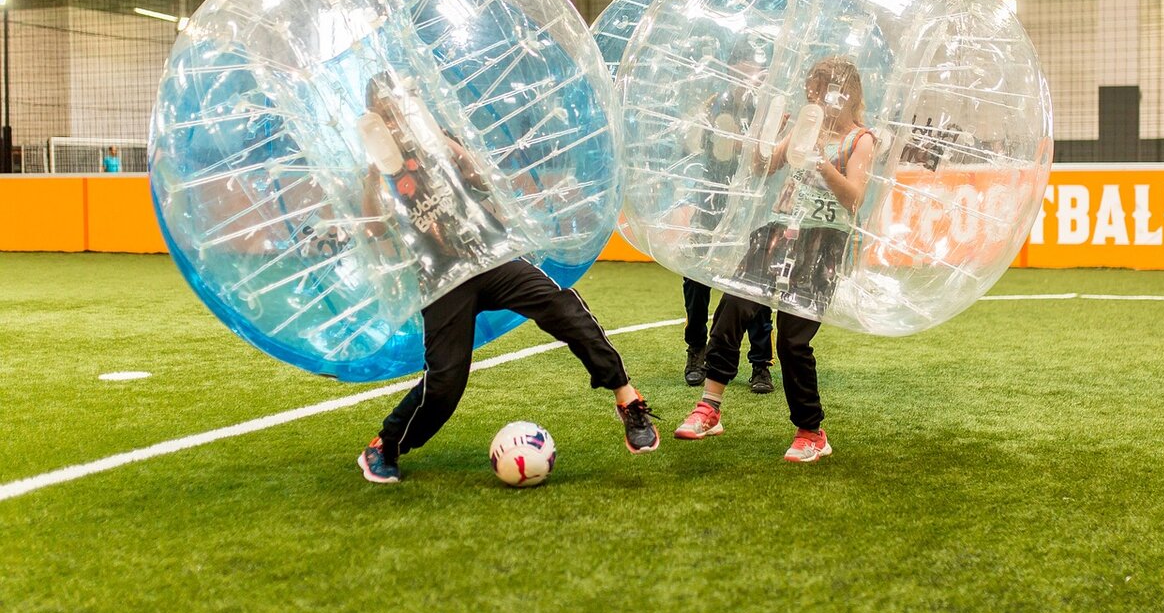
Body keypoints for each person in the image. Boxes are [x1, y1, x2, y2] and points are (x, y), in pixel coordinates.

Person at [355, 72, 660, 483]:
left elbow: (483, 182)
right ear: (376, 116)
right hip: (442, 278)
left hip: (488, 255)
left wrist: (441, 143)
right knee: (446, 381)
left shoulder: (436, 137)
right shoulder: (376, 164)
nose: (396, 119)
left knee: (561, 307)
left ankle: (627, 398)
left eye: (401, 107)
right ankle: (386, 444)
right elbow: (373, 228)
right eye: (386, 113)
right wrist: (377, 170)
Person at [674, 56, 876, 463]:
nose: (816, 99)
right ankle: (710, 406)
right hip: (778, 231)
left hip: (823, 242)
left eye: (824, 91)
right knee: (735, 304)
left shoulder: (861, 139)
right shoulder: (808, 125)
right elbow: (763, 167)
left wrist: (819, 158)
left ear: (847, 94)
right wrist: (770, 133)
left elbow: (854, 199)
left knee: (793, 338)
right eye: (812, 91)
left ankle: (811, 431)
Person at [681, 57, 774, 393]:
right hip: (712, 199)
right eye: (740, 68)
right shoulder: (712, 104)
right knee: (695, 275)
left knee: (754, 280)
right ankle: (696, 350)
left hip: (753, 203)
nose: (745, 76)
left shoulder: (767, 108)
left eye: (751, 70)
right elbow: (693, 145)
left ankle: (760, 364)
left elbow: (771, 157)